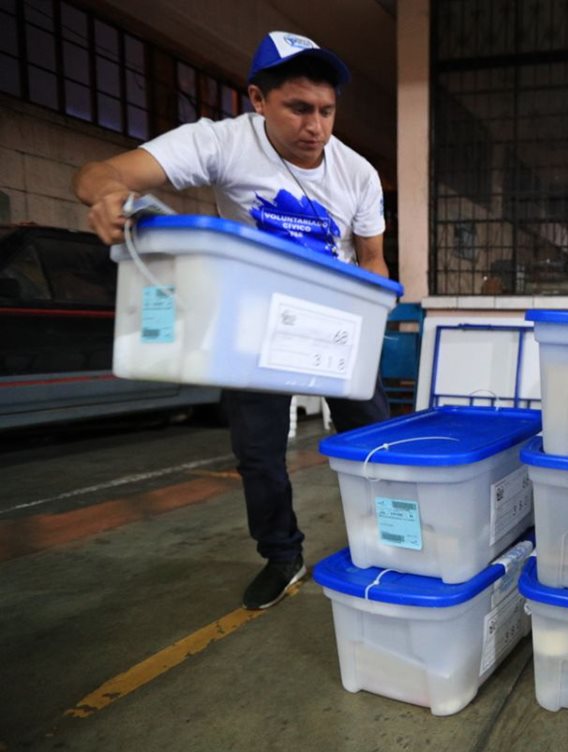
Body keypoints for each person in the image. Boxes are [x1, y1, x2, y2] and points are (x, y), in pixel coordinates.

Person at [72, 31, 391, 610]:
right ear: (257, 99)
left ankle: (392, 547)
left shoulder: (358, 174)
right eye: (298, 108)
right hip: (255, 322)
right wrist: (107, 195)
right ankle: (282, 555)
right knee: (259, 452)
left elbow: (372, 259)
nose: (314, 126)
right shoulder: (219, 143)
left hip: (337, 318)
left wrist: (376, 325)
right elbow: (101, 171)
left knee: (373, 442)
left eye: (326, 111)